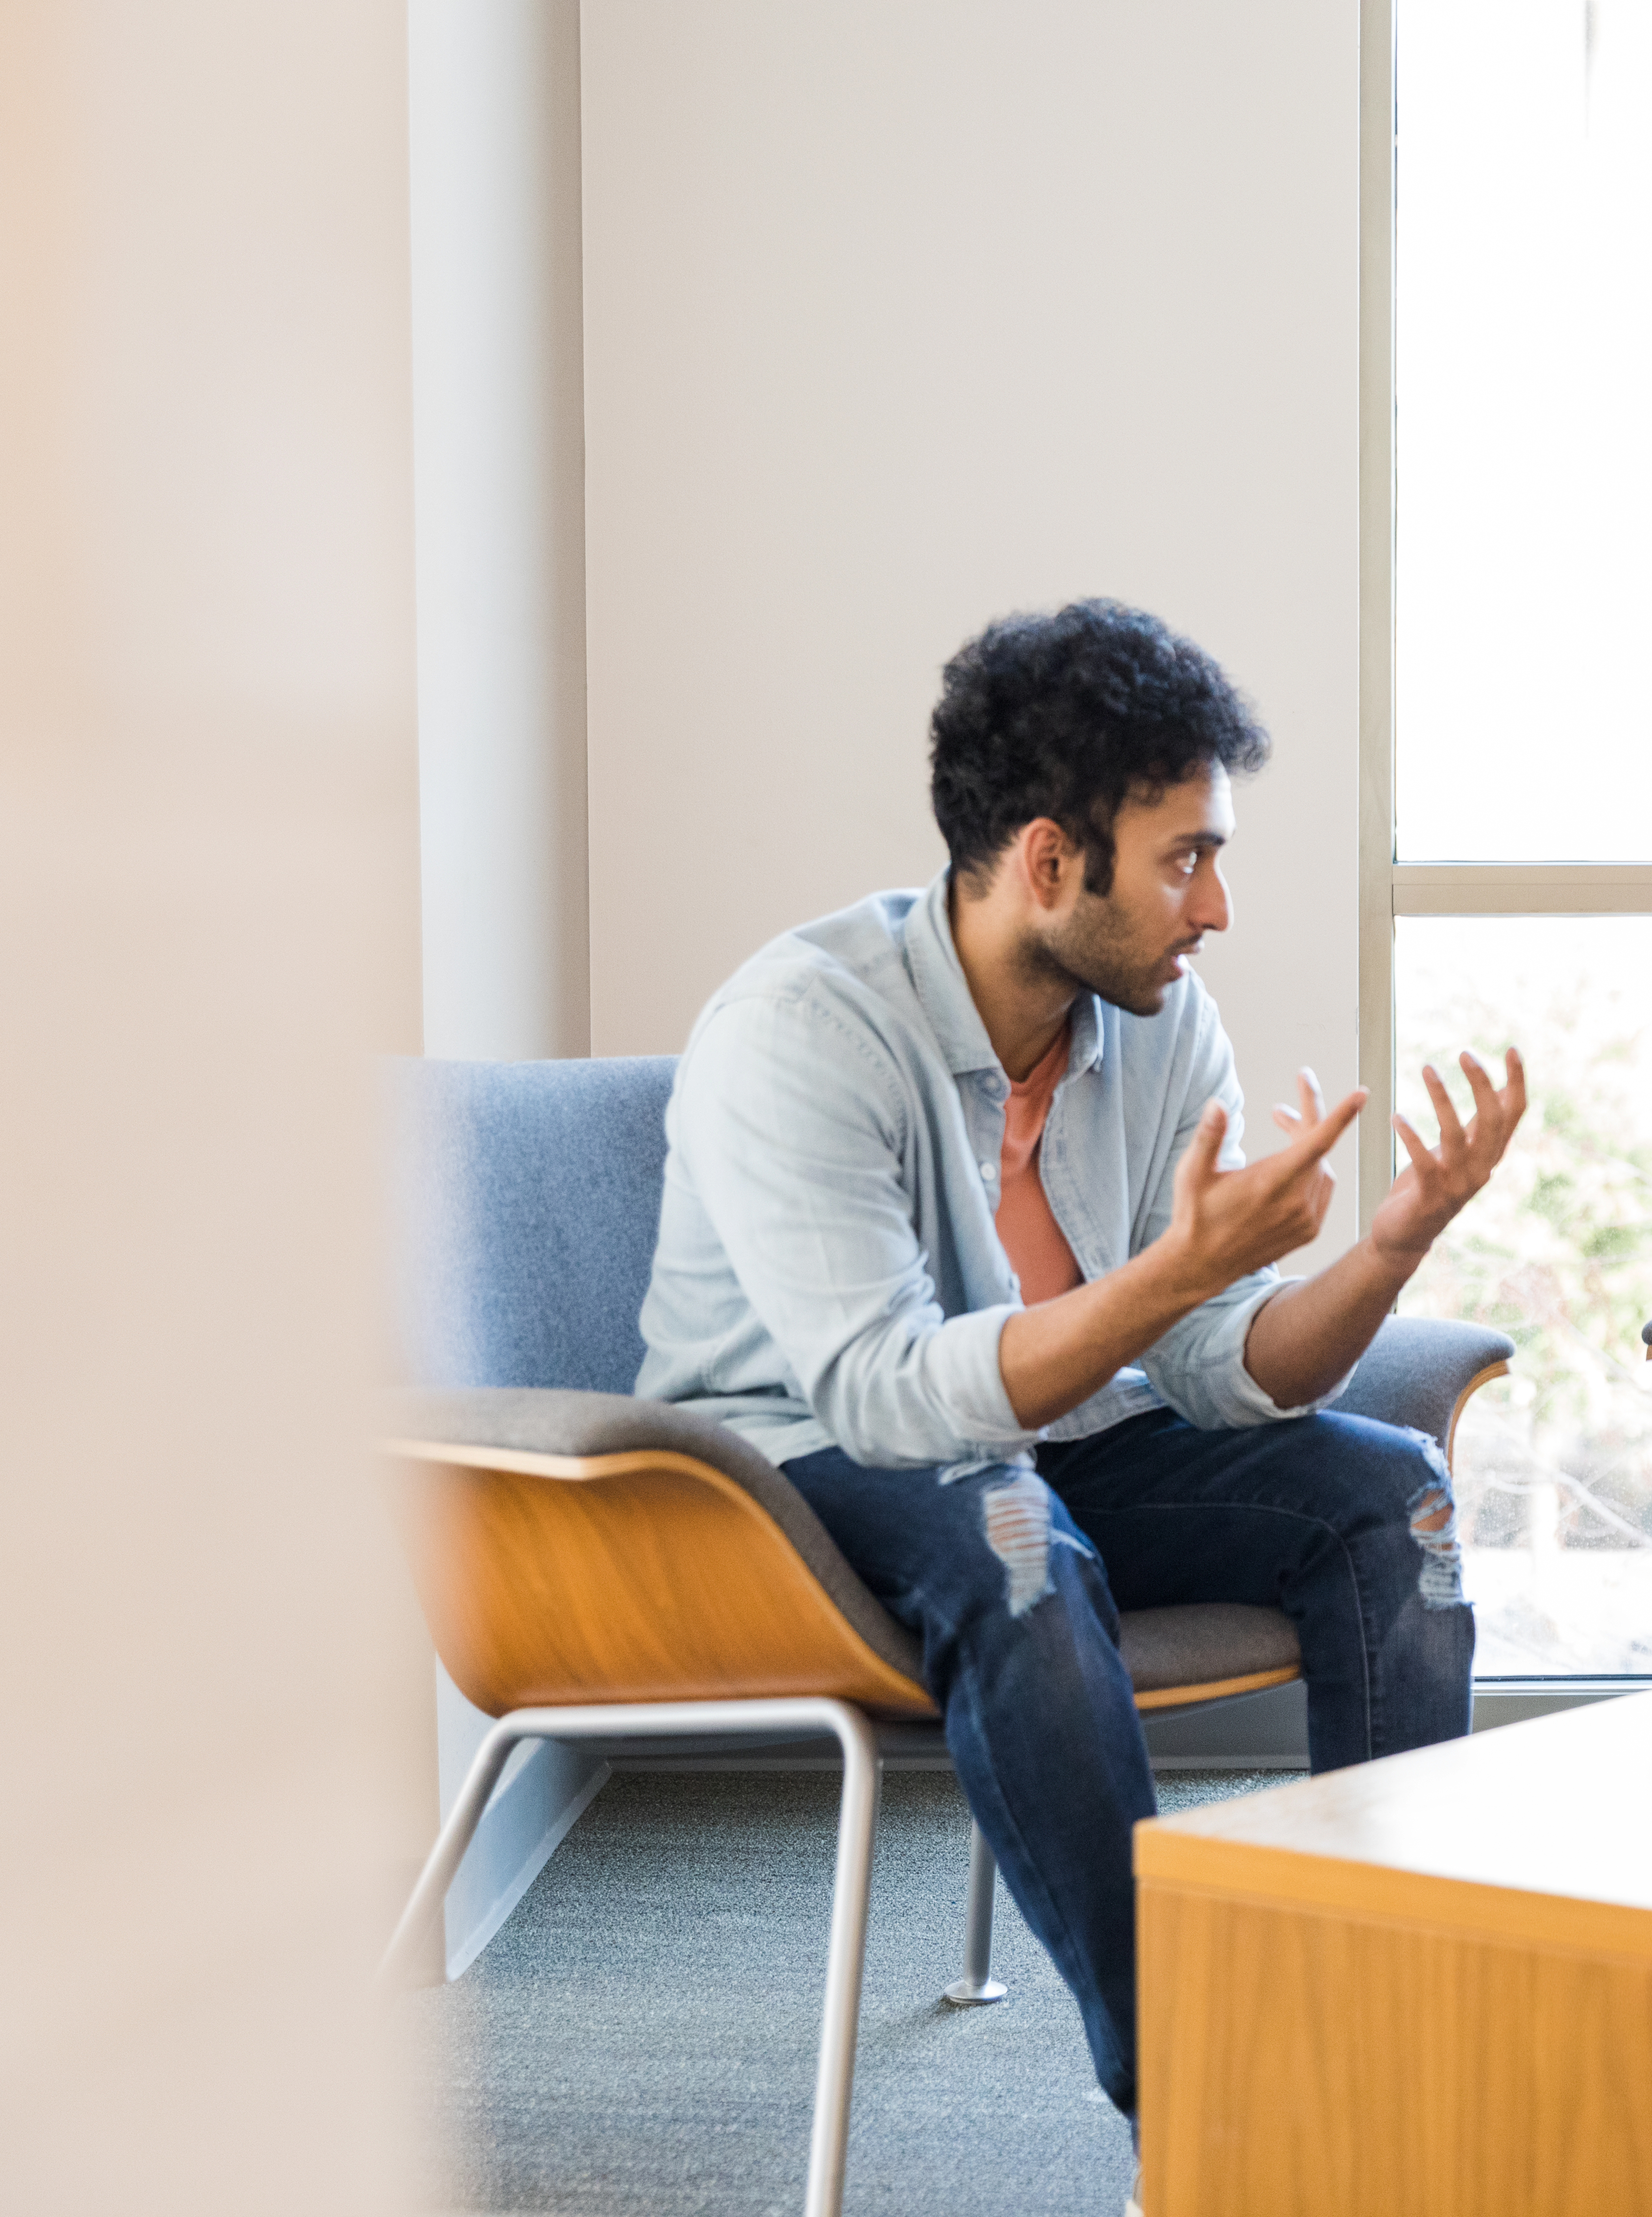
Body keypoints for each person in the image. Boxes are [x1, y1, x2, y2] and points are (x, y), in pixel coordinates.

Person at [635, 598, 1525, 2114]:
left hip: (1051, 1445)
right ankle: (1191, 2102)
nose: (1218, 907)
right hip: (785, 1471)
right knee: (1011, 1532)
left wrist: (1388, 1246)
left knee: (1402, 1501)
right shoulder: (804, 1029)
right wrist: (1179, 1266)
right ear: (1051, 862)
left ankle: (1386, 2028)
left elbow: (1212, 1364)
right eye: (1188, 858)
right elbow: (888, 1394)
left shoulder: (1159, 1024)